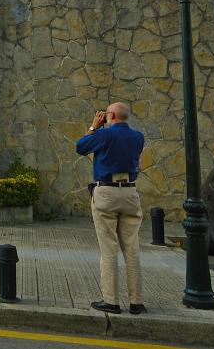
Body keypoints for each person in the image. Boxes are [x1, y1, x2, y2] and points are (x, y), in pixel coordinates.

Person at [76, 102, 146, 315]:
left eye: (106, 114)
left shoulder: (105, 135)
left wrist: (93, 127)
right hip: (130, 192)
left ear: (112, 115)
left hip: (107, 191)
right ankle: (136, 302)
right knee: (132, 250)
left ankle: (111, 301)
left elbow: (81, 147)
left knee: (109, 249)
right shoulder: (138, 137)